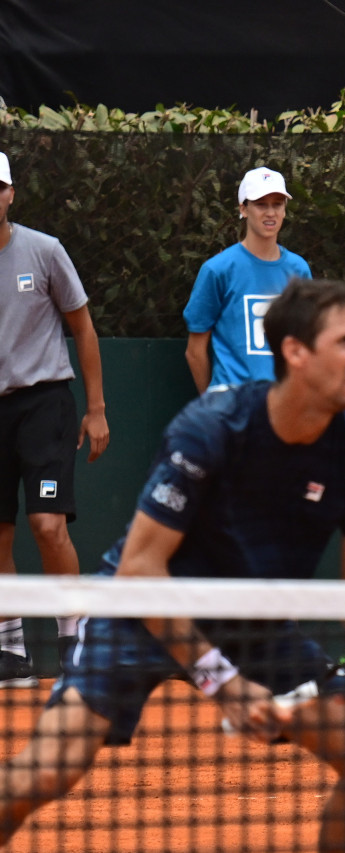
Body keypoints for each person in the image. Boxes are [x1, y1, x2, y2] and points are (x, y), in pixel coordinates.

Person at [0, 279, 345, 852]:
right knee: (46, 770)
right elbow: (141, 570)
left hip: (256, 626)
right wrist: (226, 685)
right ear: (295, 351)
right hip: (140, 615)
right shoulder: (213, 428)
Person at [0, 150, 110, 686]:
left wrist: (96, 409)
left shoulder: (44, 251)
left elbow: (83, 327)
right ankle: (12, 652)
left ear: (11, 193)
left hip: (44, 404)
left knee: (47, 526)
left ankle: (74, 639)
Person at [183, 166, 312, 393]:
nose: (270, 212)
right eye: (261, 204)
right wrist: (213, 404)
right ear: (243, 209)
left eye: (277, 204)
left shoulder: (299, 269)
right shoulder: (217, 270)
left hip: (282, 405)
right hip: (231, 404)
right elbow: (195, 351)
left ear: (285, 210)